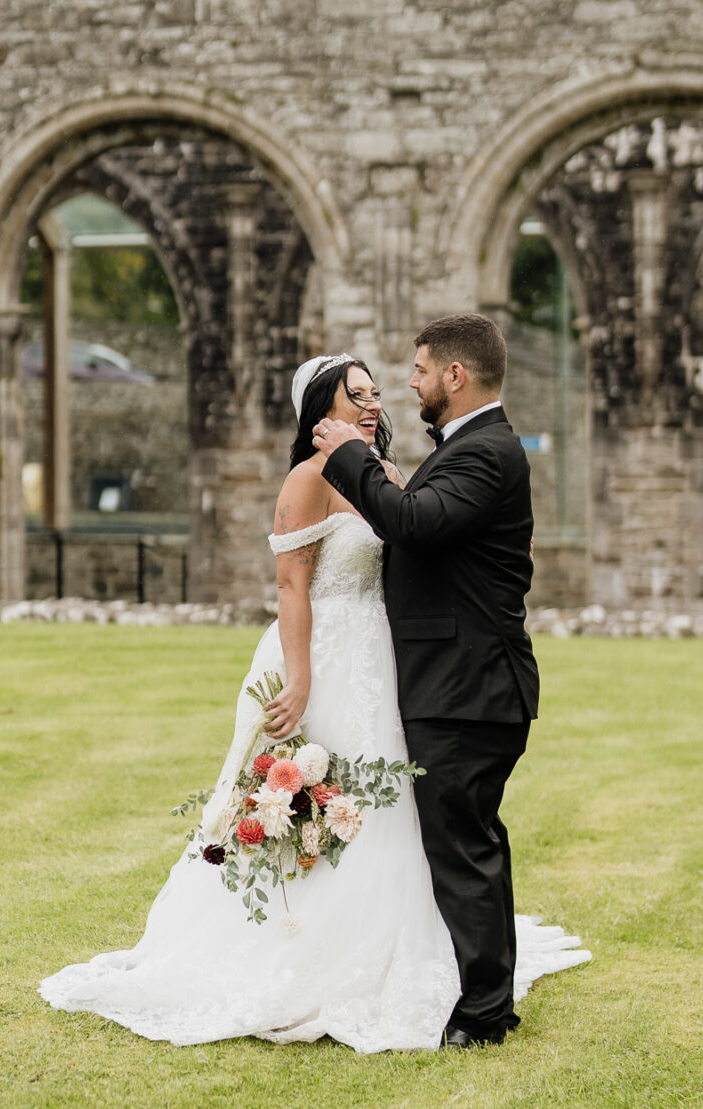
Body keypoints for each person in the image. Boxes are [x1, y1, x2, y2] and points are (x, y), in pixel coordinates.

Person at [39, 348, 586, 1052]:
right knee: (329, 797)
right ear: (319, 411)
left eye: (374, 392)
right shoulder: (308, 476)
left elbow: (418, 530)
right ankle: (299, 951)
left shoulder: (386, 473)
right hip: (323, 657)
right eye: (351, 394)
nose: (370, 403)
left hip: (385, 662)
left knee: (396, 812)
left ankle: (412, 955)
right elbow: (292, 586)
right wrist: (297, 676)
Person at [312, 312, 550, 1047]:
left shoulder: (487, 453)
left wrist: (349, 456)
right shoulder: (470, 449)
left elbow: (412, 524)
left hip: (469, 688)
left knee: (464, 848)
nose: (408, 384)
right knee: (466, 843)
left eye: (418, 370)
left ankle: (481, 1017)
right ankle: (484, 996)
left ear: (456, 375)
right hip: (460, 685)